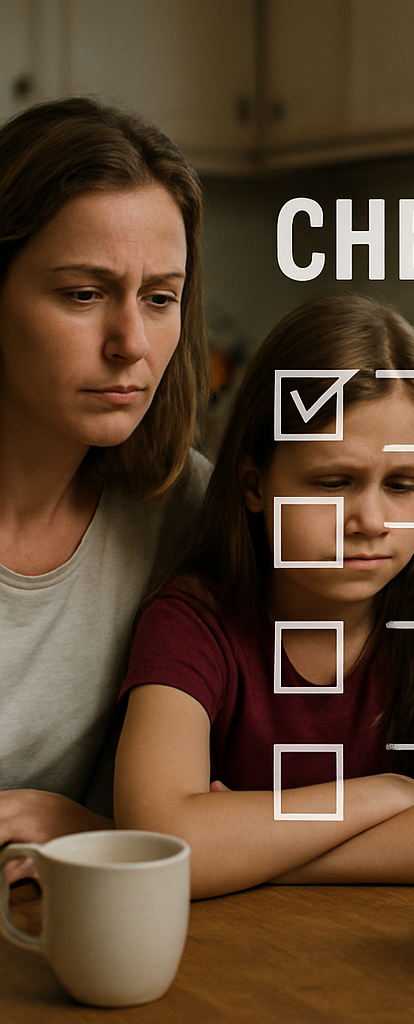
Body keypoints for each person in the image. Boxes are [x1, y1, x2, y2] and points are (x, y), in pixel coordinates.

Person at [113, 294, 414, 899]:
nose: (371, 519)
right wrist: (387, 794)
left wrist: (254, 853)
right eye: (333, 482)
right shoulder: (192, 622)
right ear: (254, 485)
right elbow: (162, 841)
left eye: (403, 484)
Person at [0, 98, 209, 863]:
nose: (131, 344)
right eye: (83, 295)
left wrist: (101, 839)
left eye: (160, 298)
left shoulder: (188, 512)